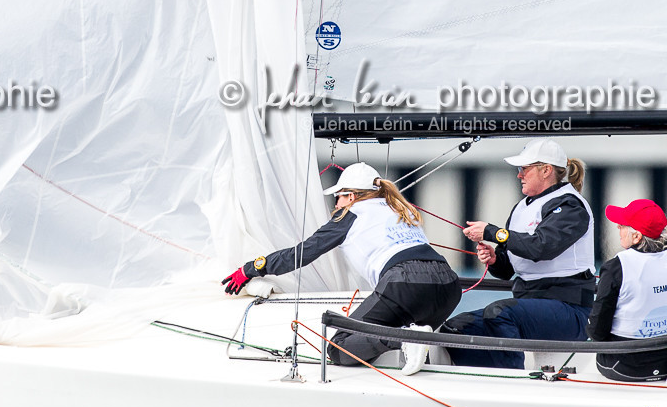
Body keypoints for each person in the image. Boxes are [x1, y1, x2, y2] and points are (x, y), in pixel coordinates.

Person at [221, 162, 459, 366]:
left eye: (338, 197)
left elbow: (301, 254)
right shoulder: (400, 209)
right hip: (449, 284)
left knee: (339, 347)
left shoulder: (349, 215)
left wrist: (251, 268)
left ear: (351, 197)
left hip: (404, 282)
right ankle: (414, 350)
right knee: (417, 335)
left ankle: (403, 340)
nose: (336, 204)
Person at [443, 138, 596, 368]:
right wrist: (495, 259)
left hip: (569, 310)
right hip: (531, 307)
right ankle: (484, 383)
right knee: (454, 328)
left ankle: (515, 382)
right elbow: (506, 270)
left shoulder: (570, 205)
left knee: (500, 312)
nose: (519, 175)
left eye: (524, 169)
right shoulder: (522, 207)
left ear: (546, 171)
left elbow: (541, 247)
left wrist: (492, 232)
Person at [587, 199, 667, 381]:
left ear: (637, 237)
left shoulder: (616, 267)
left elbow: (597, 332)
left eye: (622, 225)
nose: (617, 228)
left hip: (625, 367)